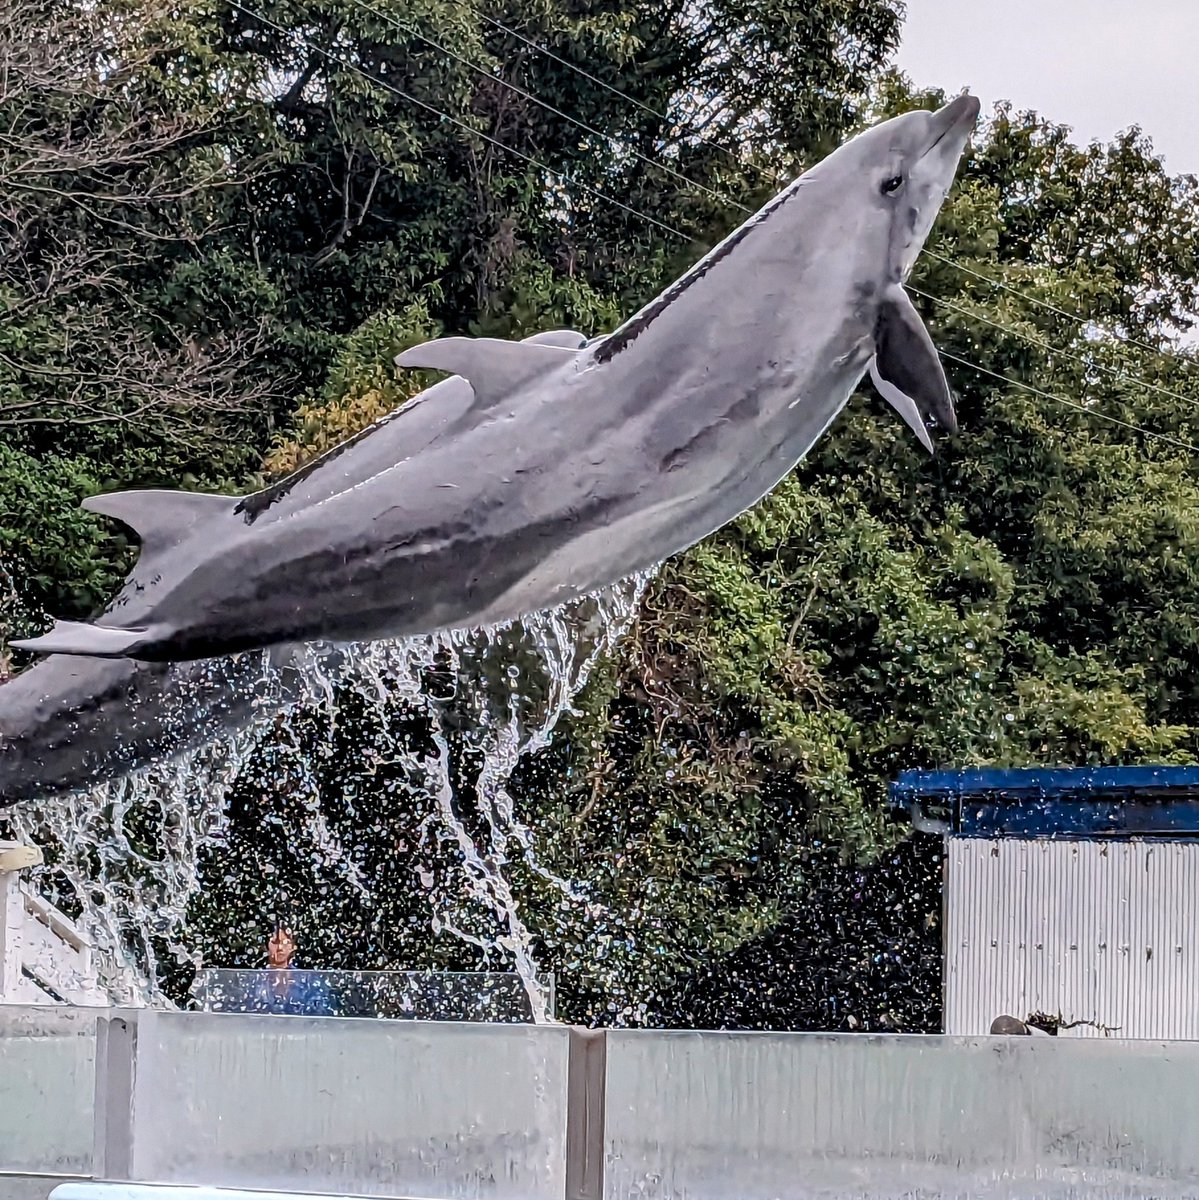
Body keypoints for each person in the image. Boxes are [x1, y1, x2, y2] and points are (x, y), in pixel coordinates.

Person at [248, 925, 335, 1016]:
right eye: (275, 942)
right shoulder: (255, 980)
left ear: (293, 946)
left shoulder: (308, 981)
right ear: (266, 945)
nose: (280, 947)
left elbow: (321, 1016)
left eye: (286, 942)